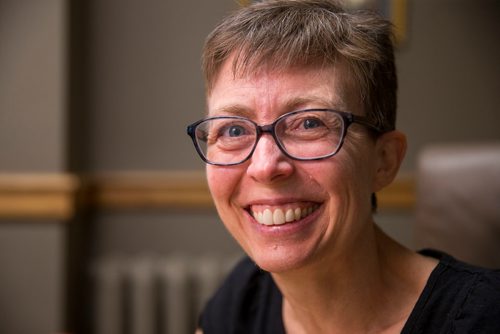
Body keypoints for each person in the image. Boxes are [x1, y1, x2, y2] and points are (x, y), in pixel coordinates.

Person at [186, 0, 500, 333]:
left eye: (309, 123)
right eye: (233, 130)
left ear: (383, 161)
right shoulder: (241, 300)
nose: (264, 167)